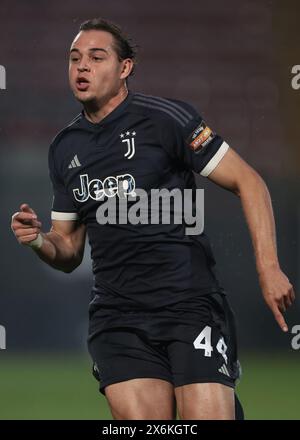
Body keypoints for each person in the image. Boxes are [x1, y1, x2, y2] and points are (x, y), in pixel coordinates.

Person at [11, 18, 295, 420]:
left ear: (125, 68)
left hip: (189, 304)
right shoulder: (64, 148)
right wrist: (40, 240)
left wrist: (269, 268)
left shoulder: (167, 120)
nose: (82, 67)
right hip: (119, 317)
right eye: (74, 58)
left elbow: (249, 182)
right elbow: (69, 249)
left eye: (96, 57)